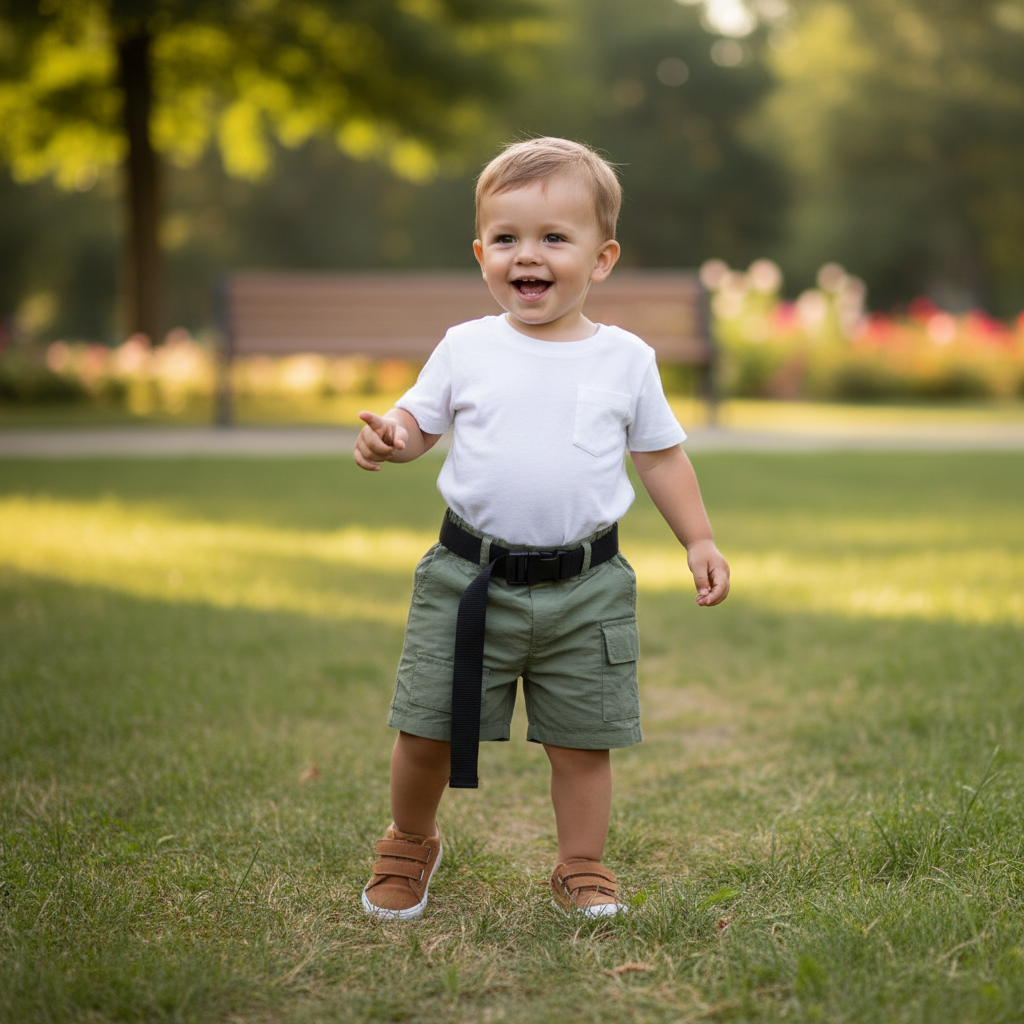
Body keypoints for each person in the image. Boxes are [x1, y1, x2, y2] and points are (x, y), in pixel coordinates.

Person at [353, 136, 729, 920]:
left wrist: (697, 538)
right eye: (507, 239)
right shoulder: (466, 347)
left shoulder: (625, 360)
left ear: (601, 258)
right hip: (468, 582)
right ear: (482, 251)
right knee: (426, 728)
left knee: (581, 741)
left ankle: (580, 865)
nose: (528, 256)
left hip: (587, 587)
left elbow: (660, 458)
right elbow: (419, 423)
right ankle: (410, 840)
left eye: (554, 238)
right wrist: (392, 436)